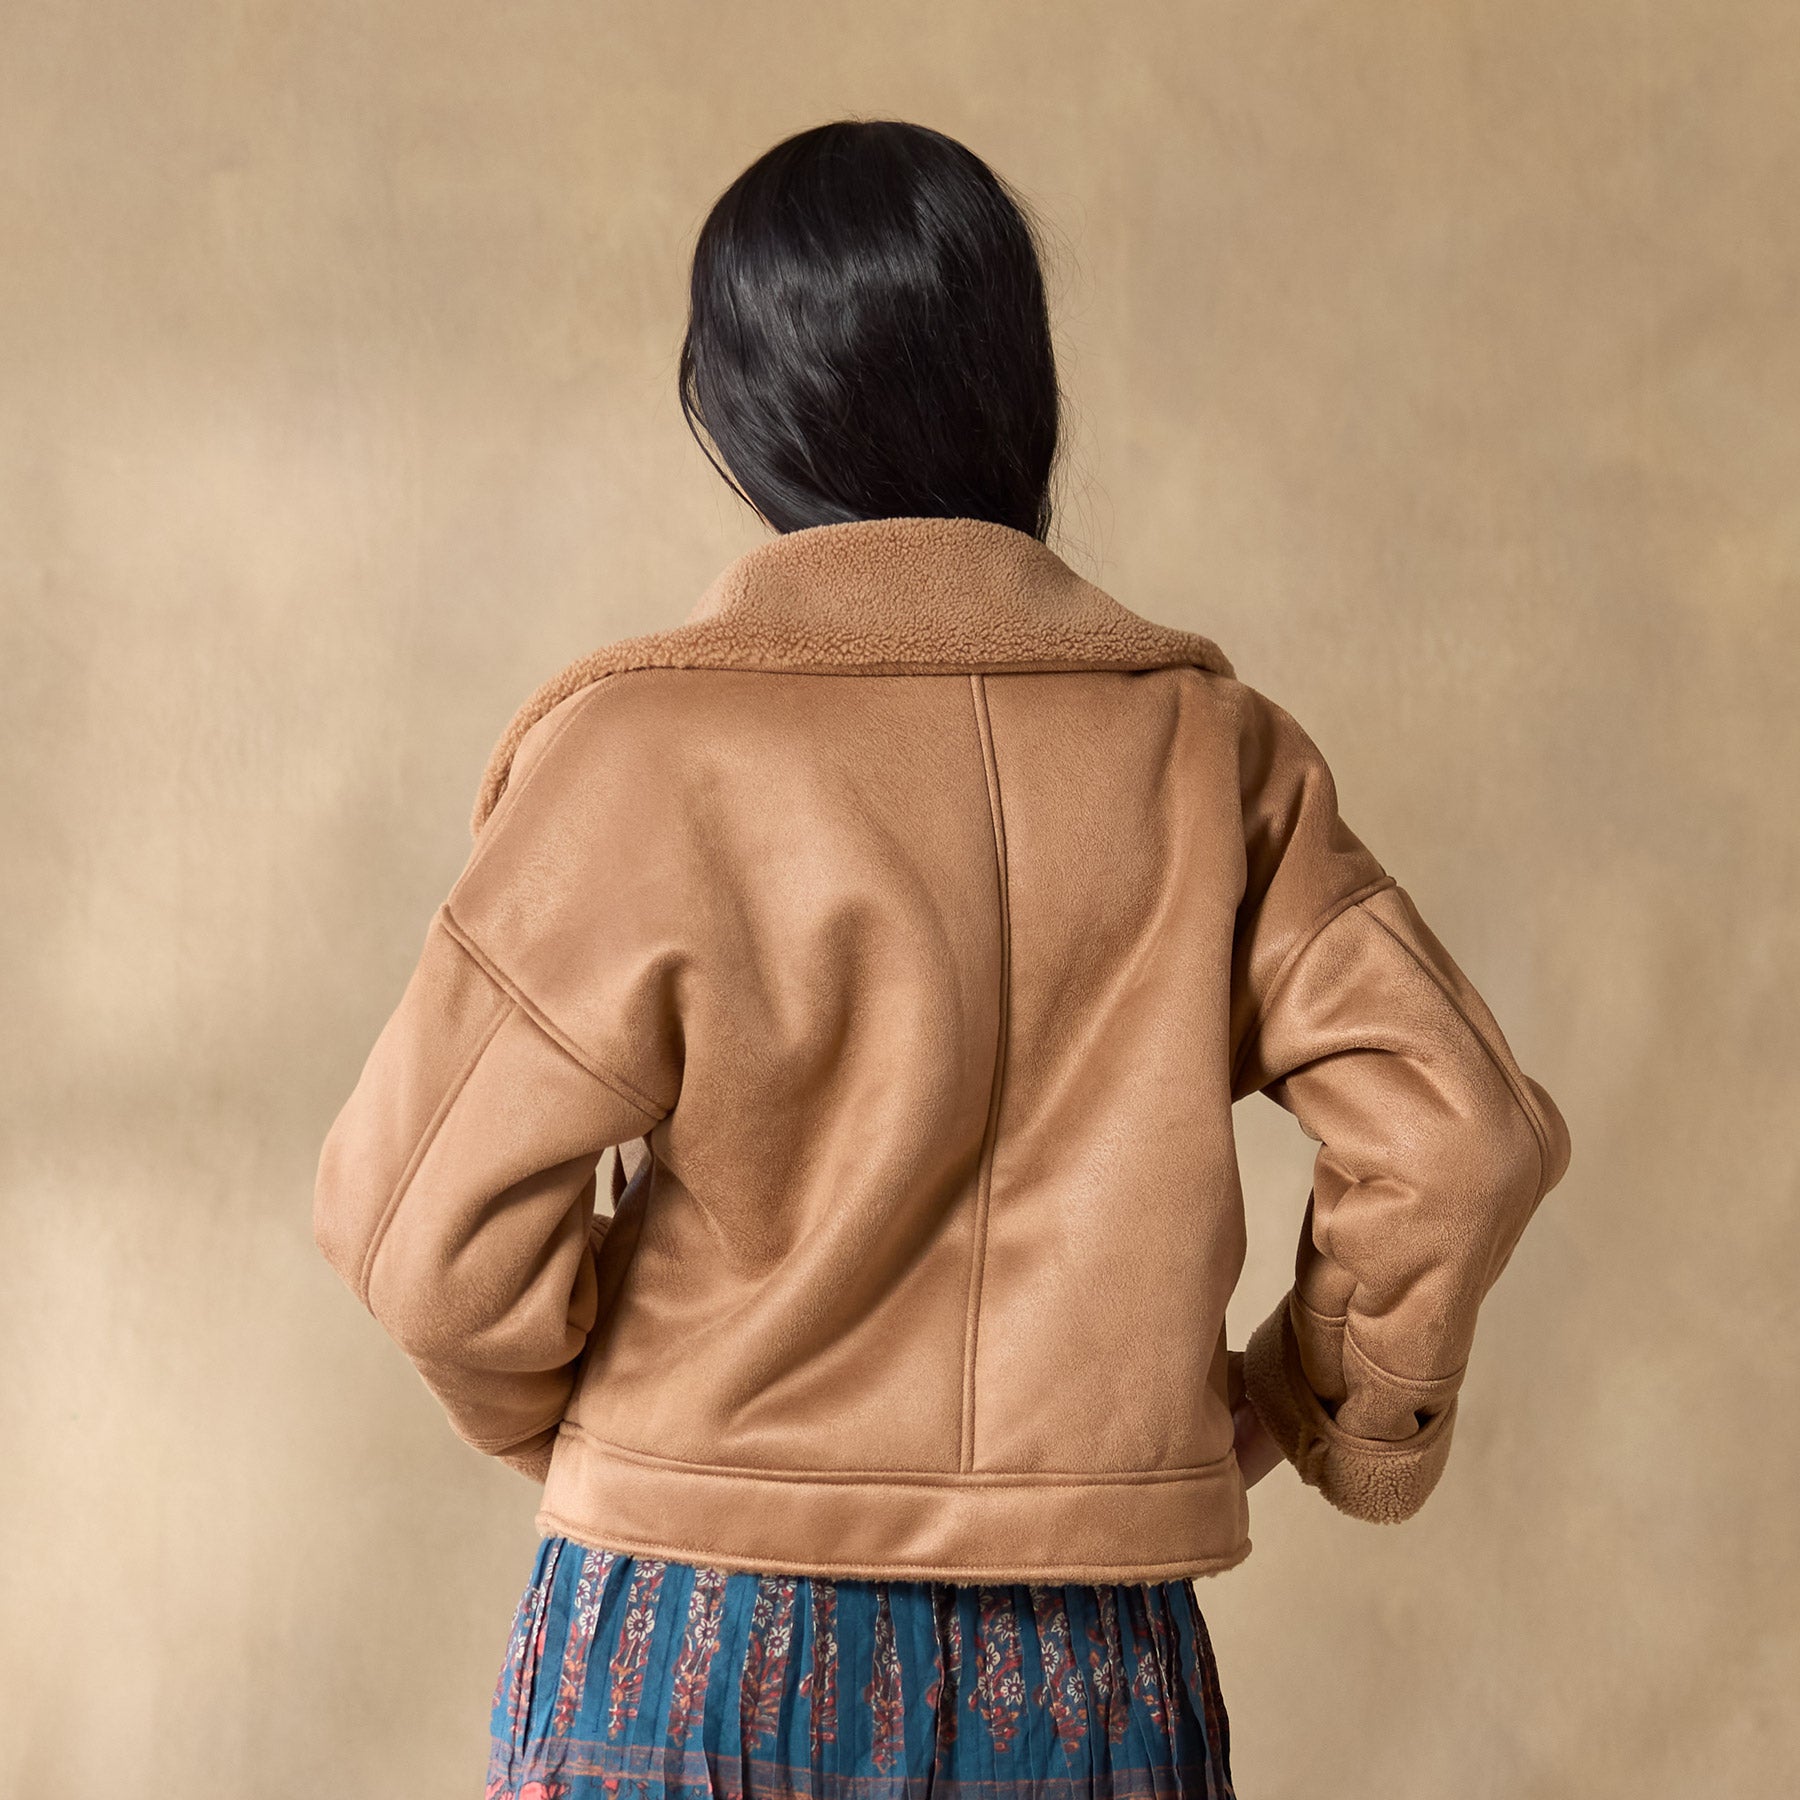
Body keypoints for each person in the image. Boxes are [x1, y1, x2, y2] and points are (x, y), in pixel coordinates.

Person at [314, 118, 1572, 1800]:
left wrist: (587, 1420)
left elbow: (425, 1238)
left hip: (694, 1637)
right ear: (1014, 382)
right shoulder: (1211, 756)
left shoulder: (635, 759)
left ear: (735, 404)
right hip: (1088, 1657)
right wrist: (1308, 1399)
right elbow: (1457, 1136)